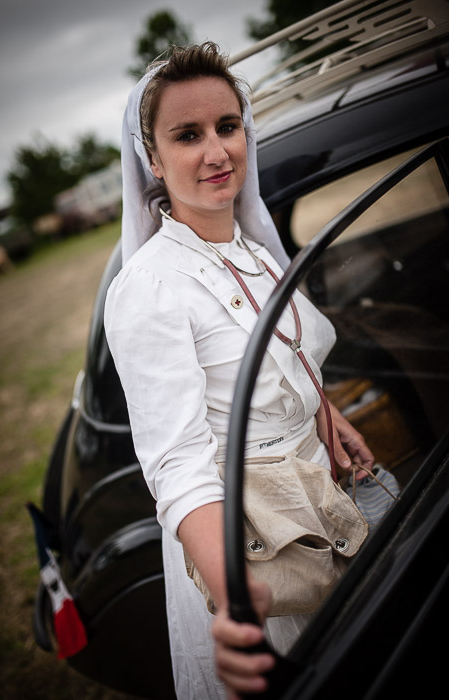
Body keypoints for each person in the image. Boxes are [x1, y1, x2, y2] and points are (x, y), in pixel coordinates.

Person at [104, 42, 373, 699]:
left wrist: (322, 412)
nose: (217, 151)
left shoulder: (253, 248)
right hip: (254, 548)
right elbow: (177, 463)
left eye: (227, 126)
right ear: (152, 158)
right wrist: (233, 597)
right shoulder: (148, 287)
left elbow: (276, 356)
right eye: (187, 135)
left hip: (318, 499)